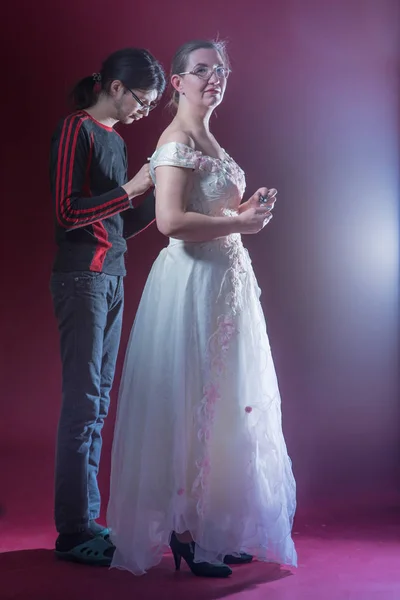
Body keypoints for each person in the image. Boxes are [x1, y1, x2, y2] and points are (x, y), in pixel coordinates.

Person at [107, 39, 297, 578]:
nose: (215, 78)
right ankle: (183, 530)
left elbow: (207, 208)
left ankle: (211, 527)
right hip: (191, 284)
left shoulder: (209, 137)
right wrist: (240, 223)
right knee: (189, 400)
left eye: (221, 71)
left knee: (225, 401)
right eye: (202, 70)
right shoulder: (176, 139)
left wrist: (245, 210)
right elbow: (169, 222)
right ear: (177, 82)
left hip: (226, 287)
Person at [49, 47, 166, 566]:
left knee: (97, 404)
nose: (145, 110)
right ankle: (73, 532)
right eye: (143, 99)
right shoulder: (77, 129)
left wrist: (154, 194)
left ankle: (87, 519)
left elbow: (119, 224)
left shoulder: (116, 140)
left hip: (112, 278)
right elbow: (67, 210)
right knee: (82, 404)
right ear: (115, 88)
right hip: (82, 279)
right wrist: (132, 187)